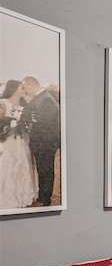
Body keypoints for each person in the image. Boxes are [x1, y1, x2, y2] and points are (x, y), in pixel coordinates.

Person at [20, 76, 59, 207]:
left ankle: (44, 199)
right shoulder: (41, 97)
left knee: (46, 171)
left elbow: (45, 124)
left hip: (45, 143)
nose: (25, 91)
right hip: (43, 142)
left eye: (25, 88)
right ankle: (43, 196)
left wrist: (29, 125)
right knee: (43, 170)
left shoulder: (46, 99)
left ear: (31, 86)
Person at [0, 80, 38, 209]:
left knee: (23, 164)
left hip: (21, 140)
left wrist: (26, 124)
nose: (24, 90)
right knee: (9, 165)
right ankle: (8, 196)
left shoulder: (24, 104)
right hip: (9, 140)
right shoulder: (4, 103)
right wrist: (11, 123)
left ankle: (23, 194)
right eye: (22, 88)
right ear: (15, 89)